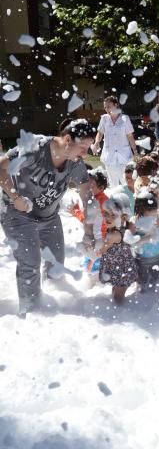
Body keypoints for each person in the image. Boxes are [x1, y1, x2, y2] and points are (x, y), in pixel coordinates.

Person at [0, 119, 95, 316]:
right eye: (83, 146)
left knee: (56, 265)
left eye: (88, 147)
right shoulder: (34, 148)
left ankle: (55, 308)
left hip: (49, 216)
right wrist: (15, 197)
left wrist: (89, 229)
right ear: (67, 139)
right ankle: (33, 315)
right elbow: (1, 167)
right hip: (17, 212)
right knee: (30, 262)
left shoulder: (74, 162)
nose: (86, 153)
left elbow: (86, 192)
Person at [131, 189, 159, 294]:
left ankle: (157, 303)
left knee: (158, 283)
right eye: (149, 211)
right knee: (142, 285)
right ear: (140, 210)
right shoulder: (134, 222)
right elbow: (131, 243)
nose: (154, 213)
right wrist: (146, 238)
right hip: (141, 260)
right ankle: (143, 304)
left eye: (155, 209)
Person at [91, 96, 137, 188]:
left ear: (116, 105)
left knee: (126, 181)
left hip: (124, 154)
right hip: (110, 155)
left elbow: (130, 136)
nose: (107, 109)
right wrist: (96, 143)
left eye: (109, 106)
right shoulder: (104, 118)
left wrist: (135, 151)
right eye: (105, 107)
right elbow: (99, 134)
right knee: (113, 183)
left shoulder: (125, 118)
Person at [99, 196, 138, 302]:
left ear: (123, 218)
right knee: (115, 292)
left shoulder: (115, 234)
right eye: (106, 214)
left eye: (113, 215)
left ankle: (122, 315)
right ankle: (117, 312)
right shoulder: (119, 228)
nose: (108, 218)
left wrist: (92, 246)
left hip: (122, 272)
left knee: (117, 297)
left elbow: (101, 250)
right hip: (120, 268)